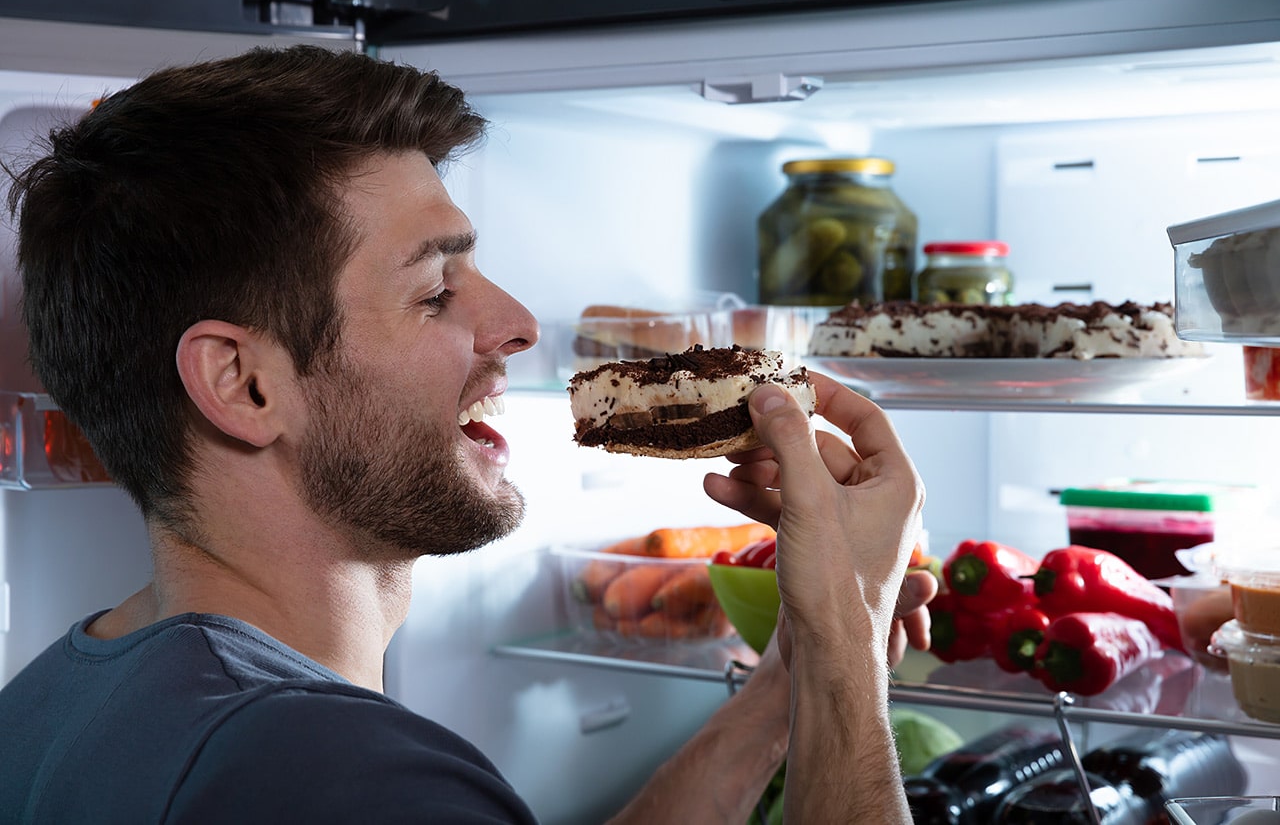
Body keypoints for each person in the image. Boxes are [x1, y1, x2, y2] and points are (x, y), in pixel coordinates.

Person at [0, 45, 935, 823]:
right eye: (434, 291)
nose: (522, 324)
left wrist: (793, 680)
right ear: (244, 384)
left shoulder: (58, 700)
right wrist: (846, 640)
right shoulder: (342, 776)